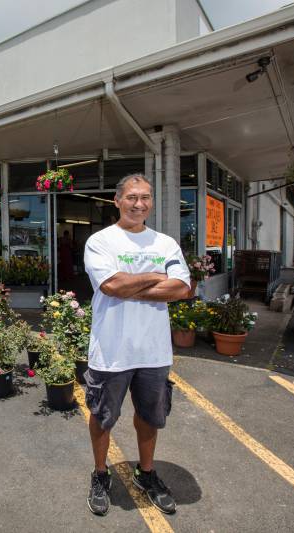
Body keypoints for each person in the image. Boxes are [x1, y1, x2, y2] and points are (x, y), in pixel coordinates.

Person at [83, 174, 190, 516]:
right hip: (111, 351)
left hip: (154, 352)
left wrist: (132, 284)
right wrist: (157, 276)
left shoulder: (166, 243)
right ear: (117, 201)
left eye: (145, 197)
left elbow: (181, 289)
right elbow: (111, 285)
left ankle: (147, 474)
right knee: (103, 417)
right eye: (131, 197)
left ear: (151, 202)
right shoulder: (100, 242)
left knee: (149, 418)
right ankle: (101, 475)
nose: (138, 203)